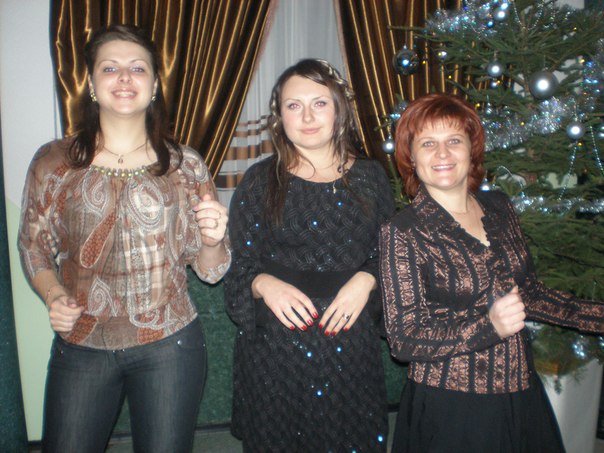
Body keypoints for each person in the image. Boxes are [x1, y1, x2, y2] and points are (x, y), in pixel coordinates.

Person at [18, 24, 230, 453]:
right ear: (91, 84)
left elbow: (211, 273)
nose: (124, 78)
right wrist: (54, 296)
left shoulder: (185, 166)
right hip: (82, 341)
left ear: (154, 86)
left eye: (138, 68)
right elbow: (33, 245)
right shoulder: (55, 161)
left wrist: (213, 240)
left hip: (170, 345)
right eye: (110, 68)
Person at [379, 93, 604, 453]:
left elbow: (528, 293)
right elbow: (404, 339)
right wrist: (489, 327)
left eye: (454, 140)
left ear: (472, 149)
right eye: (428, 143)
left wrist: (597, 316)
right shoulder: (404, 231)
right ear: (412, 157)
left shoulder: (499, 207)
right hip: (453, 410)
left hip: (521, 392)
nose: (442, 153)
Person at [224, 58, 394, 452]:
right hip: (276, 352)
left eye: (319, 103)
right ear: (279, 116)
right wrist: (264, 283)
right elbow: (238, 269)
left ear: (339, 109)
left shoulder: (372, 178)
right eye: (293, 105)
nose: (307, 116)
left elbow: (390, 257)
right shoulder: (259, 180)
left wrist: (367, 278)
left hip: (350, 347)